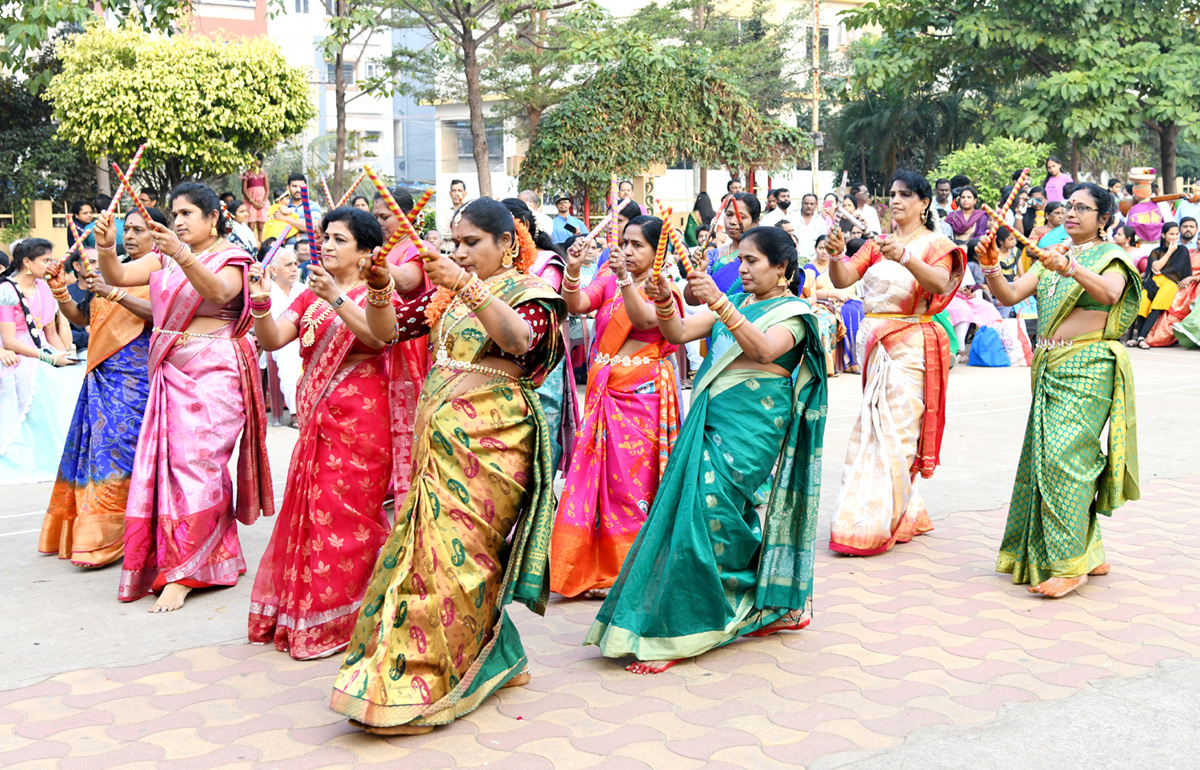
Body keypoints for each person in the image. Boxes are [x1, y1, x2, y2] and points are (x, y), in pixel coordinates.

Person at [331, 197, 566, 734]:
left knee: (461, 560)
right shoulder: (447, 298)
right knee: (425, 557)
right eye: (454, 243)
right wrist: (381, 287)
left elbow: (518, 342)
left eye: (471, 243)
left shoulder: (535, 295)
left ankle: (424, 684)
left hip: (494, 441)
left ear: (507, 244)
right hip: (437, 443)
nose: (459, 252)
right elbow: (386, 332)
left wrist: (465, 284)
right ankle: (490, 659)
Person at [586, 225, 827, 674]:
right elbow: (676, 331)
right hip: (710, 419)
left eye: (752, 261)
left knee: (710, 511)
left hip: (751, 428)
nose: (742, 268)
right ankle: (755, 596)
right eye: (739, 260)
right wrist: (662, 298)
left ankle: (689, 626)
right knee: (693, 511)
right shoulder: (737, 302)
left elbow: (762, 349)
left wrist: (717, 300)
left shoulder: (796, 313)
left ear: (783, 268)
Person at [97, 183, 273, 612]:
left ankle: (187, 572)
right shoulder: (165, 257)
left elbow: (217, 293)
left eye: (188, 213)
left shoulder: (235, 259)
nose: (177, 220)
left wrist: (180, 254)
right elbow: (117, 277)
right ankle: (203, 557)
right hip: (170, 367)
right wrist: (106, 247)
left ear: (213, 218)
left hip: (214, 372)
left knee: (199, 465)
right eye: (175, 212)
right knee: (171, 468)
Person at [247, 207, 396, 659]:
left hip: (361, 420)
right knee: (314, 515)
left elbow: (378, 337)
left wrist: (335, 296)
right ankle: (313, 615)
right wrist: (259, 302)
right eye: (325, 238)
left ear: (366, 252)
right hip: (317, 418)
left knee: (350, 516)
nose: (326, 246)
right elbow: (273, 339)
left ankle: (355, 614)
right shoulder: (308, 297)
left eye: (339, 240)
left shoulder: (375, 291)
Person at [978, 183, 1138, 598]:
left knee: (1065, 459)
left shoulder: (1110, 257)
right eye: (1069, 206)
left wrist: (1068, 268)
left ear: (1104, 218)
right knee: (1051, 457)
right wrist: (993, 267)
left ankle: (1069, 567)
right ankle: (1092, 551)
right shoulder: (1055, 253)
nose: (1072, 213)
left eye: (1084, 208)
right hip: (1050, 365)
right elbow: (1011, 295)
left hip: (1088, 367)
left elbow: (1110, 294)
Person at [827, 171, 965, 555]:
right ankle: (904, 510)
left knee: (898, 433)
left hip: (910, 347)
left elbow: (940, 283)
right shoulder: (877, 244)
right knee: (873, 429)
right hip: (874, 348)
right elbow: (843, 279)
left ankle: (872, 522)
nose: (897, 200)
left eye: (906, 194)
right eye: (892, 194)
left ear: (924, 203)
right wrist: (837, 253)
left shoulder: (935, 244)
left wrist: (905, 256)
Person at [551, 215, 683, 599]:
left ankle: (630, 567)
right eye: (624, 243)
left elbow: (644, 318)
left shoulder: (664, 290)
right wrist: (573, 272)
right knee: (601, 481)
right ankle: (594, 565)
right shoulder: (608, 279)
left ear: (658, 252)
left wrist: (626, 279)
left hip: (642, 395)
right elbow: (576, 304)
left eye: (637, 245)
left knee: (631, 484)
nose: (626, 251)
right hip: (605, 390)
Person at [38, 209, 158, 566]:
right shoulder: (113, 268)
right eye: (129, 229)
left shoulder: (166, 273)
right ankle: (98, 538)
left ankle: (127, 536)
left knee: (127, 452)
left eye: (140, 230)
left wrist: (113, 291)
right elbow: (83, 317)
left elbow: (162, 314)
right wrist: (59, 289)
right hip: (103, 375)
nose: (131, 235)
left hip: (139, 380)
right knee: (99, 454)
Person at [0, 239, 86, 484]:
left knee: (73, 375)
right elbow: (9, 340)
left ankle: (68, 454)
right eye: (45, 260)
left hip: (42, 348)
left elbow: (50, 333)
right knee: (42, 375)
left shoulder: (44, 288)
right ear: (27, 262)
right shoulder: (6, 290)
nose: (51, 265)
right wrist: (50, 358)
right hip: (17, 353)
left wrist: (64, 357)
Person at [370, 185, 433, 496]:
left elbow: (409, 280)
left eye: (387, 217)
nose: (381, 222)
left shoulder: (415, 248)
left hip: (408, 346)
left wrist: (374, 267)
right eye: (376, 216)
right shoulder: (382, 250)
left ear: (409, 218)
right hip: (377, 344)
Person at [808, 234, 863, 373]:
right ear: (815, 249)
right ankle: (849, 362)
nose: (823, 252)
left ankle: (857, 360)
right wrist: (833, 294)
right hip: (826, 301)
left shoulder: (840, 265)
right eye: (820, 248)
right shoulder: (810, 267)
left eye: (826, 249)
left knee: (858, 309)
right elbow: (811, 291)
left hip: (846, 298)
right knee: (849, 312)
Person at [1130, 221, 1189, 348]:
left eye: (1176, 234)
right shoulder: (1156, 251)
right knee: (1143, 302)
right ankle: (1139, 337)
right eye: (1171, 234)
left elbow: (1178, 270)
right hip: (1155, 281)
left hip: (1172, 283)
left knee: (1157, 304)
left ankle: (1141, 337)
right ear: (1163, 235)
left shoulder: (1182, 250)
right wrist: (1168, 252)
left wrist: (1161, 270)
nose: (1174, 237)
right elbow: (1155, 266)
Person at [694, 193, 761, 295]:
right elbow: (695, 299)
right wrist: (698, 273)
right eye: (729, 215)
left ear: (756, 222)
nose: (732, 221)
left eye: (741, 217)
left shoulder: (763, 255)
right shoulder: (712, 255)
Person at [266, 248, 305, 420]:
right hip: (279, 344)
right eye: (288, 265)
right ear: (273, 270)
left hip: (306, 340)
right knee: (291, 354)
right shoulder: (265, 291)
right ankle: (298, 413)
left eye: (295, 264)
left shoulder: (305, 289)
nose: (295, 268)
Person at [946, 238, 1003, 350]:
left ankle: (994, 345)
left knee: (988, 308)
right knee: (963, 310)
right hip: (947, 298)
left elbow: (970, 288)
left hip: (963, 298)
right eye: (960, 252)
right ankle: (960, 349)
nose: (963, 255)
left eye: (965, 253)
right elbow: (939, 286)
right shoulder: (945, 265)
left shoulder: (965, 266)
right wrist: (954, 289)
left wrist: (968, 292)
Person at [273, 173, 322, 248]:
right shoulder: (281, 206)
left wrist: (286, 218)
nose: (298, 190)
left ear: (306, 187)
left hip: (308, 251)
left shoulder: (313, 206)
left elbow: (312, 227)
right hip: (285, 251)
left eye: (301, 186)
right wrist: (302, 224)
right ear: (288, 188)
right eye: (294, 186)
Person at [790, 193, 828, 263]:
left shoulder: (820, 221)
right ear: (802, 203)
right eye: (806, 203)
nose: (809, 206)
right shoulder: (792, 219)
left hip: (815, 259)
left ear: (816, 205)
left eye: (812, 204)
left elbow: (822, 241)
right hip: (796, 259)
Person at [241, 153, 270, 241]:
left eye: (258, 160)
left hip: (262, 201)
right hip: (251, 202)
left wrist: (263, 202)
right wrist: (252, 201)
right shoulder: (246, 174)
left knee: (261, 226)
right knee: (251, 225)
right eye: (253, 159)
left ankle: (261, 243)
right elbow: (244, 190)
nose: (255, 162)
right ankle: (252, 242)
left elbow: (267, 189)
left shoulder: (263, 174)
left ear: (260, 161)